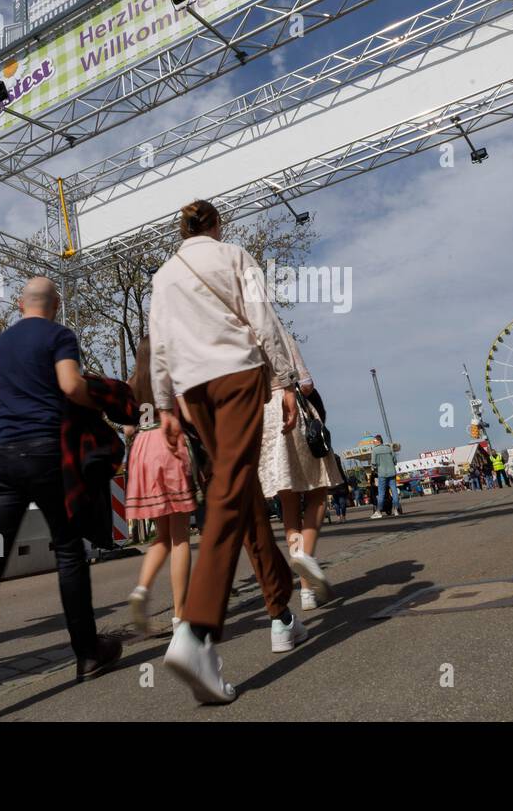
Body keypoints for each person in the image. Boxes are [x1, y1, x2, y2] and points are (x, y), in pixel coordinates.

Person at [0, 277, 121, 722]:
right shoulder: (58, 335)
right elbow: (70, 386)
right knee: (69, 549)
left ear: (20, 305)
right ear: (55, 305)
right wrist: (101, 399)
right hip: (47, 455)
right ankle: (88, 653)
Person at [150, 200, 308, 704]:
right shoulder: (235, 255)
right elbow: (263, 320)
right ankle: (195, 632)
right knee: (231, 486)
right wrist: (285, 379)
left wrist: (164, 406)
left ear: (182, 230)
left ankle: (280, 611)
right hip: (238, 374)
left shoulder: (163, 276)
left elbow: (158, 346)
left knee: (239, 488)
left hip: (192, 387)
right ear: (217, 226)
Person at [257, 326, 335, 611]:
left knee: (288, 502)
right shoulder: (279, 334)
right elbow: (306, 384)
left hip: (267, 419)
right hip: (293, 411)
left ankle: (304, 589)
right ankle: (305, 563)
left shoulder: (246, 340)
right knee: (318, 489)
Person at [124, 334, 197, 636]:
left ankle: (142, 588)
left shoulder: (130, 384)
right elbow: (190, 415)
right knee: (180, 537)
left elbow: (128, 428)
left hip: (142, 447)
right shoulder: (170, 376)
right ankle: (180, 617)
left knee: (161, 535)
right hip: (168, 444)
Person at [368, 435, 401, 518]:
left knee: (381, 493)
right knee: (394, 491)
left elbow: (373, 464)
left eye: (374, 441)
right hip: (392, 473)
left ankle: (379, 512)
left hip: (382, 474)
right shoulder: (389, 448)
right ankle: (396, 509)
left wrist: (375, 469)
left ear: (378, 441)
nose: (373, 443)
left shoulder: (375, 450)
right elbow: (395, 461)